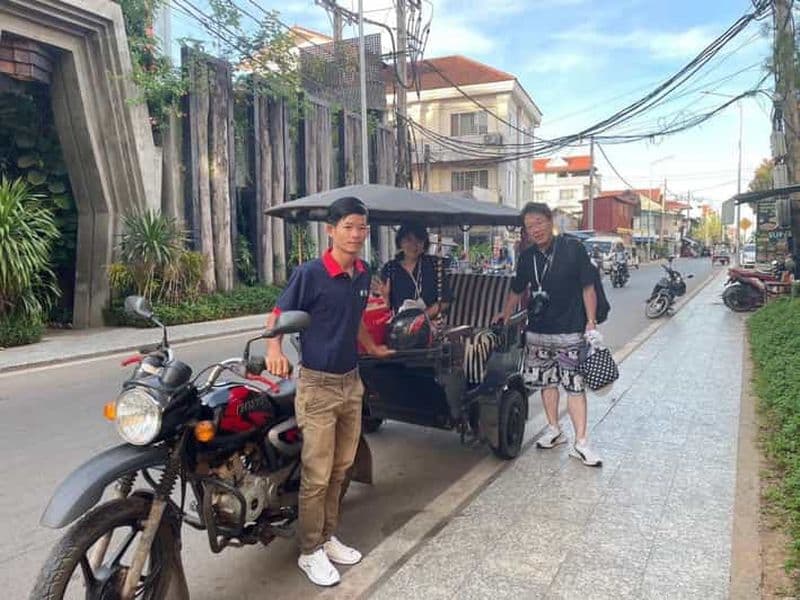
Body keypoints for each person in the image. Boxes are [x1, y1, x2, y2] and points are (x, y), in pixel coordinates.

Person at [265, 197, 392, 587]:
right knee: (318, 475)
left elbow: (354, 320)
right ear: (331, 230)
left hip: (351, 382)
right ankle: (309, 551)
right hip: (317, 386)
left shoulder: (362, 272)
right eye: (349, 227)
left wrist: (370, 347)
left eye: (362, 228)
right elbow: (279, 313)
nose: (356, 235)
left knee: (342, 469)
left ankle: (327, 536)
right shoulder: (311, 273)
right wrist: (274, 349)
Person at [496, 202, 603, 467]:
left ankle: (581, 442)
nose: (535, 230)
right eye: (529, 226)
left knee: (574, 385)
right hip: (539, 331)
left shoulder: (572, 249)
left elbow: (588, 287)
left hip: (570, 330)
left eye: (539, 223)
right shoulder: (527, 256)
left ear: (549, 221)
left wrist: (590, 322)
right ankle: (554, 430)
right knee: (547, 383)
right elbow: (517, 289)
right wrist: (505, 314)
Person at [377, 222, 452, 319]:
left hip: (430, 323)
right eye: (409, 240)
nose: (414, 245)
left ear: (425, 243)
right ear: (400, 241)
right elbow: (382, 305)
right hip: (398, 324)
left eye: (419, 240)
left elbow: (445, 301)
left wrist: (422, 318)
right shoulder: (390, 268)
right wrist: (385, 298)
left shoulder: (434, 264)